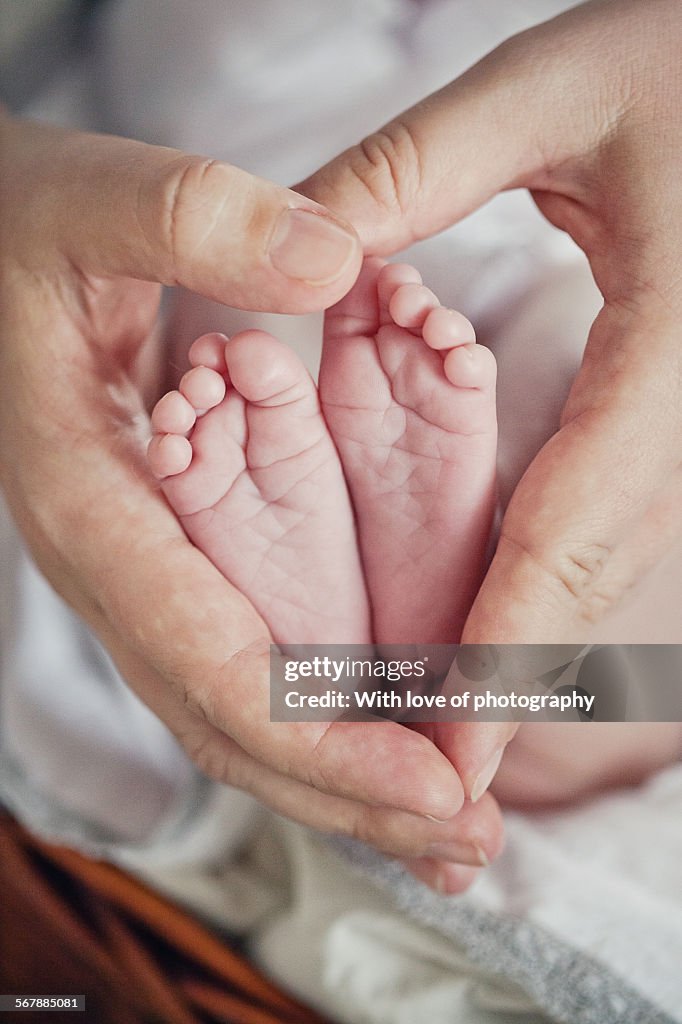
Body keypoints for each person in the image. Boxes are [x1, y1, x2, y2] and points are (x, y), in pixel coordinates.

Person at [1, 0, 680, 901]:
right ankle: (428, 602)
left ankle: (355, 617)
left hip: (351, 191)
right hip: (523, 231)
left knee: (261, 287)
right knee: (593, 670)